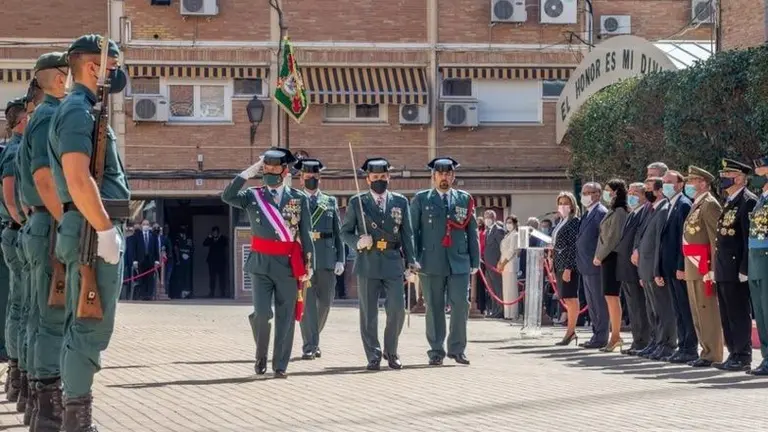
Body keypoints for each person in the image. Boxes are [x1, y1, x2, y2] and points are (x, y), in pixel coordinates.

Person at [48, 34, 132, 430]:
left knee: (80, 324)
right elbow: (78, 178)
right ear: (93, 66)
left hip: (85, 227)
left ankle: (74, 417)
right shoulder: (78, 111)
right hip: (90, 231)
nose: (116, 76)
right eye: (112, 67)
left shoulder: (82, 109)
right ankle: (77, 422)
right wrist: (104, 229)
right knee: (89, 326)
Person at [221, 148, 314, 378]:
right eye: (266, 168)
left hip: (288, 265)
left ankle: (280, 365)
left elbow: (306, 233)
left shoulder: (298, 198)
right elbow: (227, 196)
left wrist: (309, 263)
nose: (270, 172)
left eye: (274, 168)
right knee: (262, 314)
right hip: (260, 264)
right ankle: (261, 355)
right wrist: (247, 173)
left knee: (286, 317)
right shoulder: (253, 196)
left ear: (285, 171)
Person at [17, 51, 69, 430]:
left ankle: (38, 404)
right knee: (52, 317)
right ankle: (49, 411)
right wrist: (66, 221)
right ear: (57, 77)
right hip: (50, 223)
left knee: (39, 316)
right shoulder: (50, 115)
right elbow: (43, 179)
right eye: (67, 72)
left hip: (39, 221)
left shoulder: (38, 116)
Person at [340, 157, 418, 371]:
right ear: (368, 179)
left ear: (389, 177)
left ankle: (391, 351)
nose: (379, 180)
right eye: (375, 177)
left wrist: (411, 263)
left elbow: (407, 234)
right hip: (368, 260)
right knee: (369, 313)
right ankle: (373, 354)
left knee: (398, 309)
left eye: (383, 176)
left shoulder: (400, 201)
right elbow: (345, 232)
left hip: (393, 261)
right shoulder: (357, 202)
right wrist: (358, 242)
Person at [411, 157, 479, 366]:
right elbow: (414, 232)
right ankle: (436, 351)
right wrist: (412, 260)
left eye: (448, 174)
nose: (444, 177)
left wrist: (475, 260)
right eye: (440, 174)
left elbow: (472, 231)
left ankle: (457, 349)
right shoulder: (421, 199)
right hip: (430, 261)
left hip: (459, 260)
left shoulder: (464, 199)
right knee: (434, 306)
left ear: (453, 176)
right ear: (433, 176)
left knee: (461, 305)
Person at [294, 158, 344, 360]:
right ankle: (310, 345)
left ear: (320, 178)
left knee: (325, 304)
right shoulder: (294, 200)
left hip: (326, 258)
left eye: (315, 176)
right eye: (308, 176)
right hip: (304, 258)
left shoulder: (329, 201)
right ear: (301, 179)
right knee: (306, 305)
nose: (311, 179)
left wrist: (340, 259)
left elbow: (338, 233)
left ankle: (313, 339)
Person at [713, 159, 757, 371]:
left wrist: (744, 268)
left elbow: (747, 238)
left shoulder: (747, 201)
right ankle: (733, 353)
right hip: (724, 267)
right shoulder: (730, 200)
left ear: (739, 178)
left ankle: (743, 355)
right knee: (727, 313)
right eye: (722, 175)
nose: (723, 178)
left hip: (736, 267)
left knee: (738, 313)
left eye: (727, 175)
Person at [681, 166, 724, 368]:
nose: (688, 185)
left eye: (692, 181)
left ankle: (713, 353)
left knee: (708, 312)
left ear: (703, 183)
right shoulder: (697, 204)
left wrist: (713, 269)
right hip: (693, 265)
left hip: (704, 266)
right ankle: (705, 350)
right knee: (698, 311)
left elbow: (715, 239)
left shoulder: (709, 204)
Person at [656, 170, 698, 364]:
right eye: (664, 182)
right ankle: (683, 347)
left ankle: (690, 348)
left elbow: (684, 239)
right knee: (678, 310)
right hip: (669, 267)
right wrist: (659, 268)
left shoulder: (683, 205)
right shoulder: (669, 205)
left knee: (685, 309)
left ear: (680, 184)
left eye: (669, 181)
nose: (665, 185)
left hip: (678, 268)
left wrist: (682, 266)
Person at [1, 97, 27, 405]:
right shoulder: (15, 150)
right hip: (19, 232)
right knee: (23, 307)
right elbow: (10, 198)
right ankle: (19, 374)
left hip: (18, 230)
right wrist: (26, 222)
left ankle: (17, 375)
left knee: (20, 306)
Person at [634, 177, 677, 360]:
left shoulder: (663, 210)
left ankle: (666, 344)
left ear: (659, 191)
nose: (646, 193)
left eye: (649, 189)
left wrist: (656, 269)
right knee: (653, 310)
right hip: (646, 267)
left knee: (663, 309)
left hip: (654, 267)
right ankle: (656, 342)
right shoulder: (650, 210)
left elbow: (659, 242)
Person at [593, 179, 629, 352]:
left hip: (613, 257)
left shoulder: (620, 211)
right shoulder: (612, 210)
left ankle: (615, 336)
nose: (606, 193)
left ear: (616, 192)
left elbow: (613, 238)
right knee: (609, 297)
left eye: (608, 190)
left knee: (613, 297)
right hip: (606, 257)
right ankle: (614, 335)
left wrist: (599, 256)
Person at [617, 183, 651, 355]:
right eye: (629, 192)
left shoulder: (644, 213)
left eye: (635, 193)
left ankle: (643, 341)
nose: (631, 196)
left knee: (640, 306)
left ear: (644, 195)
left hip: (635, 267)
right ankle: (637, 339)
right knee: (632, 307)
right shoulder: (632, 213)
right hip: (626, 267)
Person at [575, 182, 609, 348]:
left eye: (589, 192)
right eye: (584, 192)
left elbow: (603, 238)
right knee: (592, 303)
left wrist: (598, 257)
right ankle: (596, 334)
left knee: (598, 302)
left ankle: (601, 337)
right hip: (586, 264)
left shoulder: (600, 212)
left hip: (595, 264)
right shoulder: (588, 213)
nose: (585, 196)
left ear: (597, 194)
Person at [552, 192, 581, 346]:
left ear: (572, 205)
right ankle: (570, 331)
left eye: (566, 203)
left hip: (568, 265)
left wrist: (569, 268)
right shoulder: (561, 221)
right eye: (560, 203)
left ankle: (571, 331)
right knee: (566, 298)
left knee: (571, 298)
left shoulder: (574, 221)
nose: (562, 206)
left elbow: (573, 246)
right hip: (559, 263)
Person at [748, 156, 768, 375]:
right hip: (756, 261)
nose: (756, 176)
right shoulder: (762, 199)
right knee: (761, 313)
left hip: (766, 260)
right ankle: (766, 357)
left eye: (760, 171)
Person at [482, 210, 505, 318]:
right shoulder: (488, 231)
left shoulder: (498, 230)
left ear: (494, 218)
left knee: (498, 287)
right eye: (485, 217)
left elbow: (502, 248)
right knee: (491, 289)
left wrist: (500, 262)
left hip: (495, 264)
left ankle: (500, 310)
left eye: (489, 217)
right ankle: (494, 309)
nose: (487, 220)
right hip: (488, 264)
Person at [129, 219, 159, 300]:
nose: (146, 226)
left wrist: (157, 260)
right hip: (140, 260)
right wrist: (134, 260)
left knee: (150, 278)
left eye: (147, 224)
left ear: (149, 226)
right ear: (141, 225)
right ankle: (142, 295)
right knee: (141, 278)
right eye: (144, 224)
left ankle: (149, 295)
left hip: (150, 260)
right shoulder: (137, 235)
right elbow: (134, 248)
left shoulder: (153, 235)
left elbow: (156, 248)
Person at [497, 215, 519, 320]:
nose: (508, 225)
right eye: (507, 222)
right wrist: (499, 262)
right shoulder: (507, 235)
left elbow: (511, 251)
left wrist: (503, 263)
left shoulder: (515, 235)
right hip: (504, 265)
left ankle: (513, 313)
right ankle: (507, 313)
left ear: (515, 224)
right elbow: (503, 251)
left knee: (511, 290)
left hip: (510, 264)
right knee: (506, 290)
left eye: (510, 222)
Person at [203, 226, 228, 298]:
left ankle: (222, 292)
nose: (214, 234)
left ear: (218, 232)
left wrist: (219, 237)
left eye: (216, 232)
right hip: (212, 261)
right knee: (212, 277)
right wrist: (209, 237)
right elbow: (204, 244)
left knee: (222, 277)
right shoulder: (211, 239)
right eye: (213, 232)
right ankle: (211, 292)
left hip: (221, 261)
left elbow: (226, 243)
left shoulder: (222, 238)